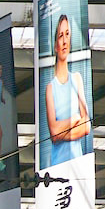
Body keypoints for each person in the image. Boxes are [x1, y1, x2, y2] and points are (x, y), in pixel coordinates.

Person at [42, 13, 91, 168]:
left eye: (67, 35)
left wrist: (62, 132)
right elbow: (53, 133)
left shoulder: (77, 79)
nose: (64, 41)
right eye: (60, 35)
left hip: (78, 165)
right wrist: (75, 118)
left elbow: (86, 126)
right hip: (58, 166)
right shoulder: (50, 88)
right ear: (55, 45)